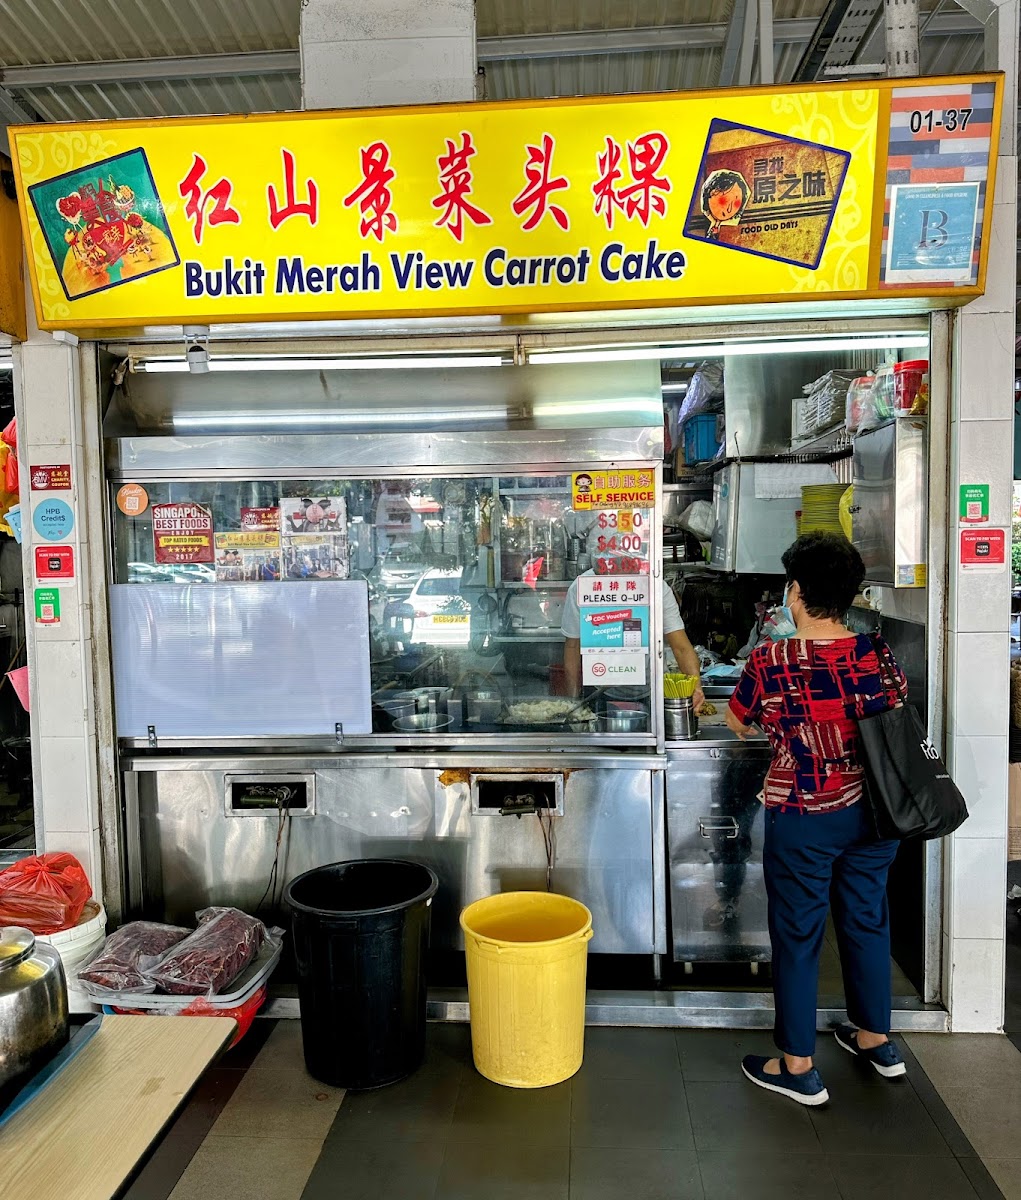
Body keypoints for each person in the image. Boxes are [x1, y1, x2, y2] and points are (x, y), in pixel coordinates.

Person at [724, 532, 907, 1106]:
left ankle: (798, 1065)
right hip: (876, 812)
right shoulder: (875, 652)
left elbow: (736, 720)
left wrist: (785, 733)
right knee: (867, 918)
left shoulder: (771, 658)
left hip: (804, 812)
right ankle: (876, 1039)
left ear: (797, 592)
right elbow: (894, 714)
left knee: (799, 935)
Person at [561, 575, 704, 710]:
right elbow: (572, 646)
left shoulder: (655, 587)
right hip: (599, 692)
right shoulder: (582, 586)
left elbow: (681, 648)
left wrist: (696, 687)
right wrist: (573, 702)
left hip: (652, 691)